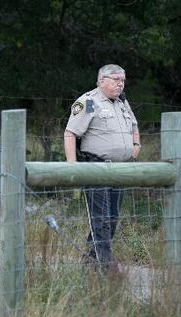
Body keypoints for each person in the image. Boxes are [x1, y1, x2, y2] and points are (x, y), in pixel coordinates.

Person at [63, 64, 140, 269]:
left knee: (113, 216)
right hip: (97, 167)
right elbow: (71, 133)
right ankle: (104, 264)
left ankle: (91, 260)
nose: (120, 84)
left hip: (120, 169)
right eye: (115, 79)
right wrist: (73, 167)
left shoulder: (122, 102)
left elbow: (133, 124)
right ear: (101, 81)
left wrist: (136, 144)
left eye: (122, 80)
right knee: (101, 217)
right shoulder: (89, 102)